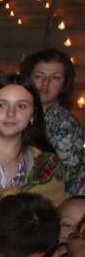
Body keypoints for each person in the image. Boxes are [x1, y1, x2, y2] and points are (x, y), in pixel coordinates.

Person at [0, 75, 67, 211]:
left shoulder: (47, 166)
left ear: (33, 115)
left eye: (21, 106)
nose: (11, 113)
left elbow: (54, 222)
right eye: (1, 105)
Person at [24, 47, 85, 194]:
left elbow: (68, 176)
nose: (45, 83)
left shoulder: (66, 125)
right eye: (39, 76)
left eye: (55, 78)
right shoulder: (15, 113)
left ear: (64, 84)